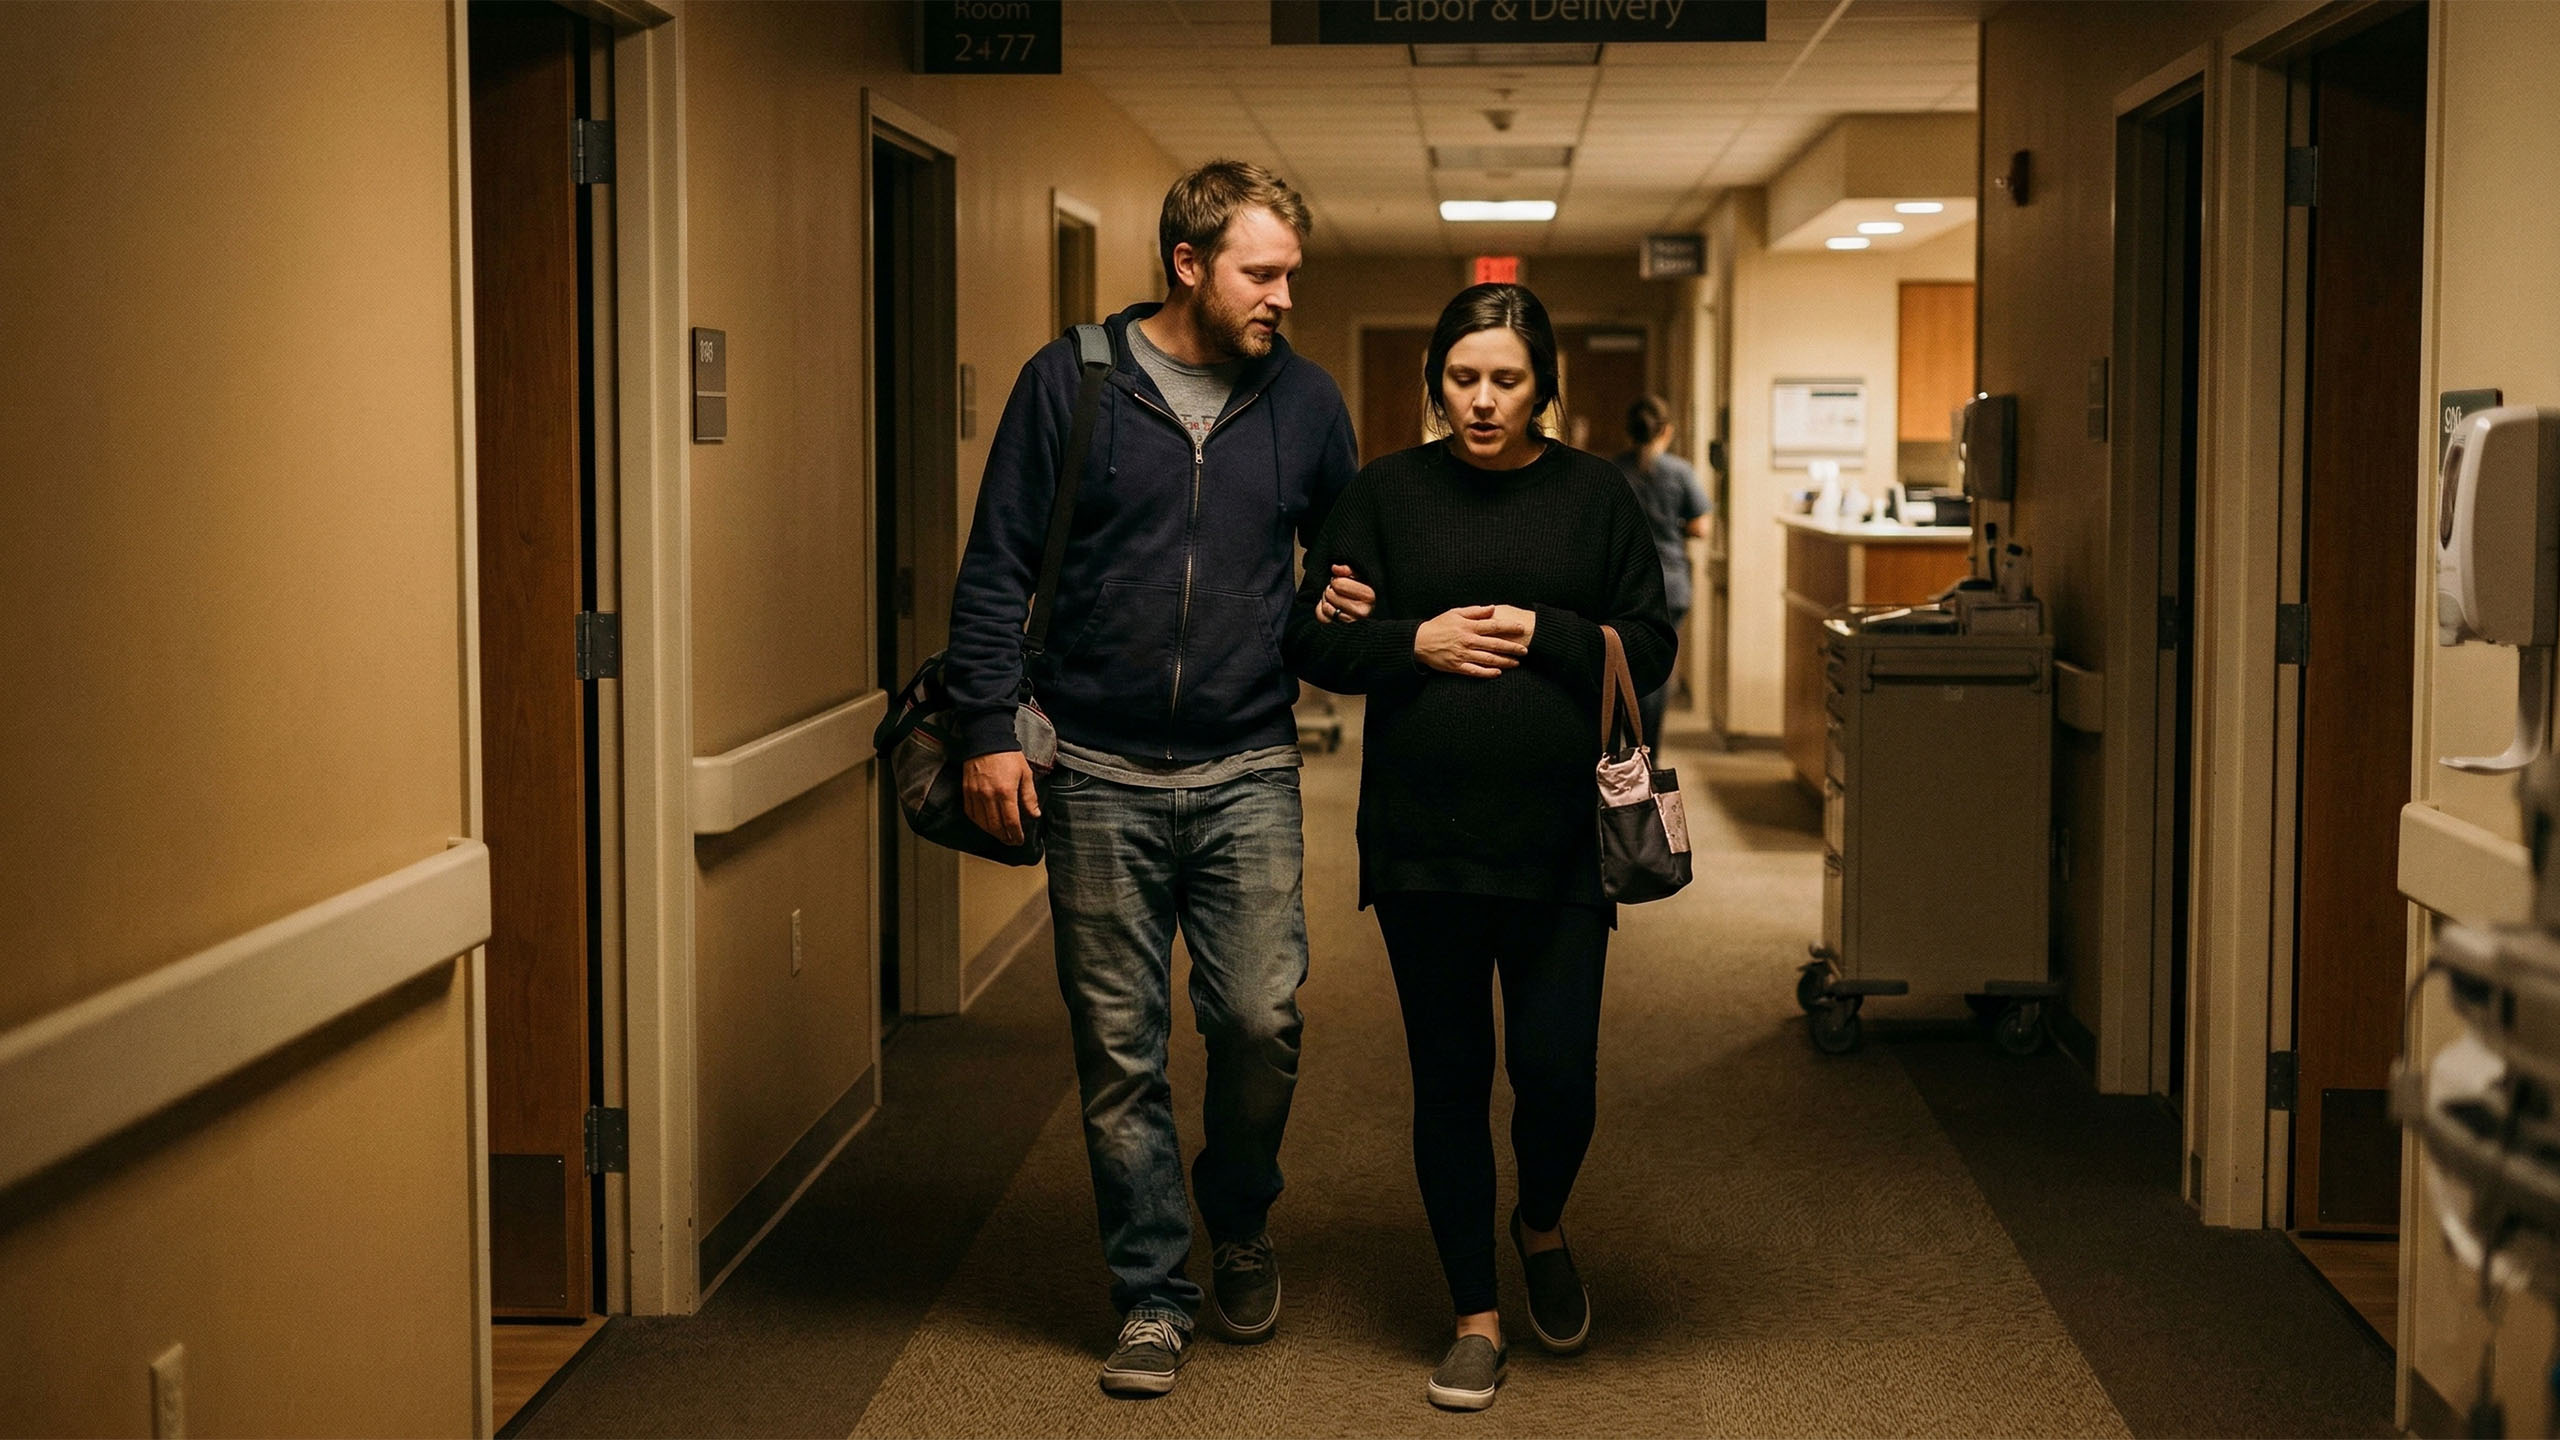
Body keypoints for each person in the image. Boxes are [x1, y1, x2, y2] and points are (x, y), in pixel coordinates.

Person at [944, 160, 1361, 1397]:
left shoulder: (1305, 402)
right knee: (1118, 1049)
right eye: (1262, 272)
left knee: (1258, 1021)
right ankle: (1150, 1293)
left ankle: (1239, 1214)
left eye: (1291, 273)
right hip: (1098, 772)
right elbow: (994, 567)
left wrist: (1343, 604)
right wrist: (983, 729)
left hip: (1245, 763)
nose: (1284, 295)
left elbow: (1343, 574)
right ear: (1188, 265)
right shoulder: (1068, 383)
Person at [1286, 283, 1674, 1412]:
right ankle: (1473, 1314)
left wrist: (1549, 634)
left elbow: (1647, 644)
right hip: (1424, 845)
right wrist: (1417, 638)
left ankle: (1540, 1221)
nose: (1484, 400)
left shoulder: (1596, 498)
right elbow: (1315, 639)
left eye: (1506, 379)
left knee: (1558, 1078)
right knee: (1451, 1078)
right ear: (1435, 384)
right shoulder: (1385, 495)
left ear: (1542, 384)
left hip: (1560, 845)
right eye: (1463, 378)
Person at [1613, 396, 1712, 746]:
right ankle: (1647, 749)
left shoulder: (1615, 471)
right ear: (1667, 431)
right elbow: (1701, 527)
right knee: (1657, 668)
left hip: (1622, 585)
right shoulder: (1680, 472)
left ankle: (1625, 742)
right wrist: (1675, 525)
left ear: (1629, 432)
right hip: (1670, 583)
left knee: (1622, 664)